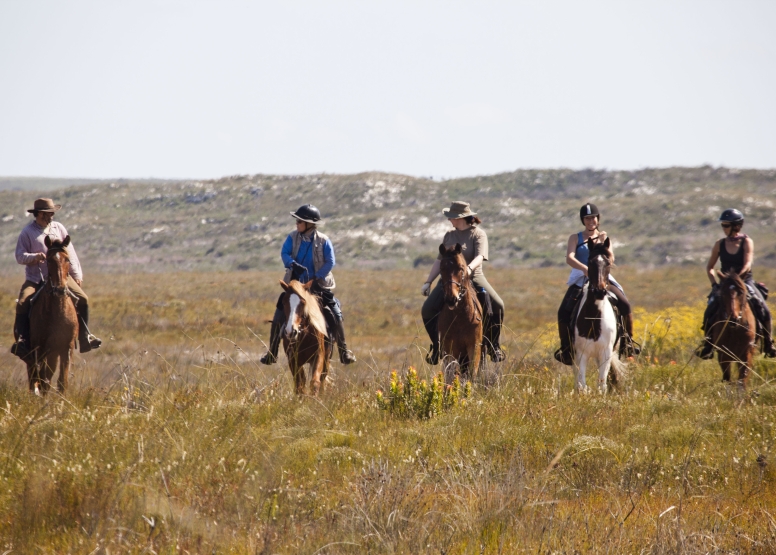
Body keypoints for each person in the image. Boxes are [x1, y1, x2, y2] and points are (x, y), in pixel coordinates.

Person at [260, 204, 356, 365]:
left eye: (299, 221)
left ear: (309, 224)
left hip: (318, 285)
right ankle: (272, 351)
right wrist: (291, 264)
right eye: (297, 221)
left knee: (335, 313)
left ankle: (344, 351)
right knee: (279, 312)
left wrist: (317, 277)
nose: (297, 224)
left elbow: (330, 261)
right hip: (297, 285)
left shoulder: (324, 240)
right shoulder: (292, 237)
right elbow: (284, 253)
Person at [11, 198, 102, 359]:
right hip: (36, 278)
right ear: (38, 214)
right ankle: (22, 341)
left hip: (61, 277)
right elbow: (19, 256)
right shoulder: (27, 232)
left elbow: (70, 254)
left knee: (83, 299)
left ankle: (85, 336)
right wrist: (34, 257)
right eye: (47, 213)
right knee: (23, 302)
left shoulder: (59, 228)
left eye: (52, 213)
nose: (51, 216)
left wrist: (76, 275)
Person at [554, 203, 640, 365]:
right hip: (580, 277)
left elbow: (611, 259)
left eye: (593, 217)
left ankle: (628, 342)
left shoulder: (604, 237)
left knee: (625, 304)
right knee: (563, 311)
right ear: (583, 220)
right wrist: (585, 269)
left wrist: (601, 242)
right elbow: (569, 258)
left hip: (602, 277)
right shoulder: (575, 237)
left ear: (598, 219)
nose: (590, 221)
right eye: (587, 218)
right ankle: (566, 349)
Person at [420, 201, 506, 364]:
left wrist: (468, 269)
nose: (449, 220)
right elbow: (440, 261)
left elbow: (480, 256)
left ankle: (494, 345)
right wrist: (429, 281)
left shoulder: (478, 234)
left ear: (460, 217)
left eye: (451, 217)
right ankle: (436, 347)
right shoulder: (449, 235)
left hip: (473, 277)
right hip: (449, 280)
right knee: (427, 310)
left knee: (498, 305)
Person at [696, 208, 776, 359]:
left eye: (726, 225)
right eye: (723, 225)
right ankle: (708, 344)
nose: (723, 228)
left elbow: (747, 264)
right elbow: (710, 267)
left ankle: (768, 343)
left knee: (763, 308)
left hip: (745, 282)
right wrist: (714, 285)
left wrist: (737, 279)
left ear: (736, 226)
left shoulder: (747, 241)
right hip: (725, 284)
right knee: (710, 310)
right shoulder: (719, 244)